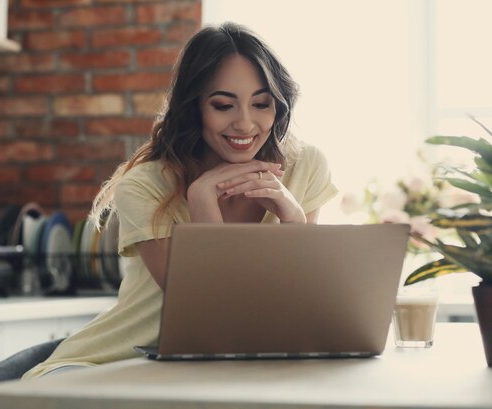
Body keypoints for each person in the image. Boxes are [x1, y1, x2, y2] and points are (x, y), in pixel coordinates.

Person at [22, 22, 338, 378]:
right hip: (108, 365)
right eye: (223, 105)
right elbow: (209, 315)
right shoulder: (144, 185)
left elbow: (297, 307)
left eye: (262, 104)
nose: (246, 124)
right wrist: (202, 203)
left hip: (215, 371)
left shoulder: (304, 166)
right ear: (194, 108)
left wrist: (294, 220)